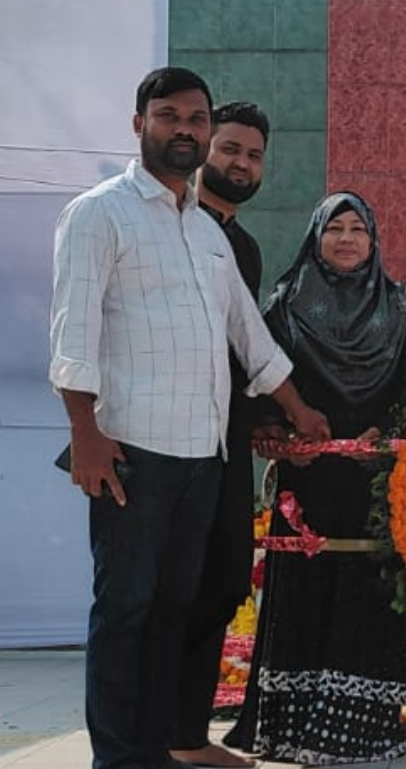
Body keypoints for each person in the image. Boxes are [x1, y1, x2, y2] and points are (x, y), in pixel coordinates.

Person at [48, 67, 329, 769]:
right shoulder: (99, 213)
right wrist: (85, 434)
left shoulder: (207, 232)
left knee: (174, 609)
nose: (184, 129)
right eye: (168, 115)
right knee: (127, 609)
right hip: (132, 453)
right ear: (138, 124)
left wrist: (298, 409)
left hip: (204, 456)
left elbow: (249, 337)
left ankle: (155, 751)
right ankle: (119, 758)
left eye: (196, 119)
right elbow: (73, 333)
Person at [223, 191, 406, 765]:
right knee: (306, 592)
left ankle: (362, 729)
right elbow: (255, 378)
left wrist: (387, 436)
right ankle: (291, 726)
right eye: (334, 228)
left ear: (374, 240)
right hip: (308, 479)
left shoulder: (404, 309)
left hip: (377, 484)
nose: (345, 239)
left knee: (367, 594)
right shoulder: (284, 306)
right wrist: (275, 432)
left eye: (356, 229)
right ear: (315, 238)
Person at [169, 101, 272, 769]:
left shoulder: (245, 246)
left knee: (226, 576)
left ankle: (184, 735)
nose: (240, 163)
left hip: (227, 436)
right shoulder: (175, 226)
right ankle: (154, 737)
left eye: (253, 155)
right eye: (230, 148)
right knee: (167, 587)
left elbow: (244, 348)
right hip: (167, 437)